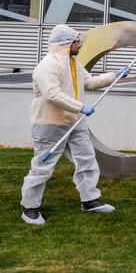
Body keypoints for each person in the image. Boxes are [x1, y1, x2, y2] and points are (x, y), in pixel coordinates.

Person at [21, 24, 126, 226]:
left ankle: (89, 201)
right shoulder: (48, 65)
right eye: (78, 41)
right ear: (67, 43)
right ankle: (30, 208)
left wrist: (115, 75)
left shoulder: (73, 62)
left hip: (75, 122)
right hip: (50, 124)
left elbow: (90, 83)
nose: (81, 44)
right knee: (42, 167)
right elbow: (51, 94)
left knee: (86, 160)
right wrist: (80, 106)